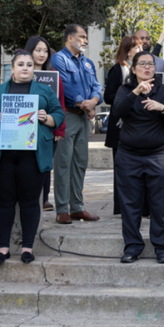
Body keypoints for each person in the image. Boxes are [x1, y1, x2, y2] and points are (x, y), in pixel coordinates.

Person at [0, 50, 65, 265]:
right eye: (21, 64)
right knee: (5, 202)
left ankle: (27, 247)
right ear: (13, 68)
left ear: (33, 68)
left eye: (29, 64)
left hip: (32, 156)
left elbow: (59, 114)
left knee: (29, 202)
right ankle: (3, 248)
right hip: (3, 156)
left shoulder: (44, 91)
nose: (25, 68)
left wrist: (47, 118)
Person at [111, 51, 164, 263]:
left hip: (158, 156)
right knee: (130, 204)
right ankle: (133, 246)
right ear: (133, 69)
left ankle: (161, 246)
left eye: (150, 64)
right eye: (142, 64)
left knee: (160, 204)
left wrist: (162, 108)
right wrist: (135, 92)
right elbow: (117, 112)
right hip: (128, 156)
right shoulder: (124, 90)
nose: (147, 67)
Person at [51, 24, 103, 224]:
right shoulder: (59, 59)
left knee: (80, 162)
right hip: (68, 115)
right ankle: (62, 209)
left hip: (83, 118)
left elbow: (97, 86)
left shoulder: (88, 63)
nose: (85, 41)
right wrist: (86, 105)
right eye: (81, 37)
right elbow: (66, 86)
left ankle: (77, 207)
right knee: (63, 163)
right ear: (69, 38)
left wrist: (95, 101)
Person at [24, 35, 66, 212]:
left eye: (45, 51)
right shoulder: (20, 74)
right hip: (23, 130)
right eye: (38, 50)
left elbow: (61, 104)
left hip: (48, 130)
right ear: (30, 51)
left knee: (44, 165)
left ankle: (44, 198)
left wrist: (59, 130)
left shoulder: (55, 76)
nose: (41, 54)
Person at [104, 35, 142, 215]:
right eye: (137, 48)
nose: (141, 51)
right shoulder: (117, 70)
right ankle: (120, 207)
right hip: (119, 127)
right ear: (128, 52)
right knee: (121, 169)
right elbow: (108, 96)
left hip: (136, 127)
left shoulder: (140, 71)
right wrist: (127, 97)